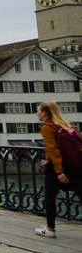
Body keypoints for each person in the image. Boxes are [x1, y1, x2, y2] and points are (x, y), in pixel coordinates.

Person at [35, 101, 82, 238]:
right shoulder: (64, 124)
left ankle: (50, 229)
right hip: (75, 165)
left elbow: (53, 150)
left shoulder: (46, 127)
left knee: (50, 196)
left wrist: (59, 172)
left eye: (38, 110)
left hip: (57, 168)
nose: (37, 113)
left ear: (44, 112)